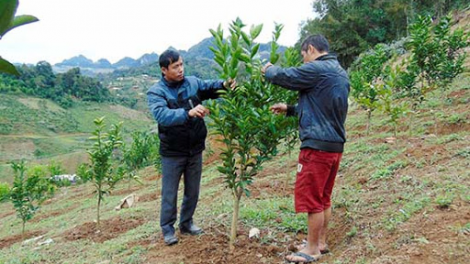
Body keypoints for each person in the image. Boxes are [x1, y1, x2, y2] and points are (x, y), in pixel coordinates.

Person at [262, 34, 350, 263]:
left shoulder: (317, 69)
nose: (303, 62)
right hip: (333, 146)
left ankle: (311, 250)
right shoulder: (339, 72)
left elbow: (287, 76)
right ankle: (320, 242)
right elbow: (320, 106)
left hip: (317, 148)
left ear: (310, 49)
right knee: (323, 198)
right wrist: (290, 109)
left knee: (312, 200)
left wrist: (269, 70)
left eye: (303, 56)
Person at [147, 49, 235, 246]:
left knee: (193, 190)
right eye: (175, 66)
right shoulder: (156, 92)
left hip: (195, 148)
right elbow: (162, 115)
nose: (180, 69)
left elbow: (210, 87)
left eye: (181, 64)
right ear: (164, 70)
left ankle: (186, 223)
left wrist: (224, 84)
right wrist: (188, 112)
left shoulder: (192, 82)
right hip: (173, 152)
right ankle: (168, 229)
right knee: (170, 192)